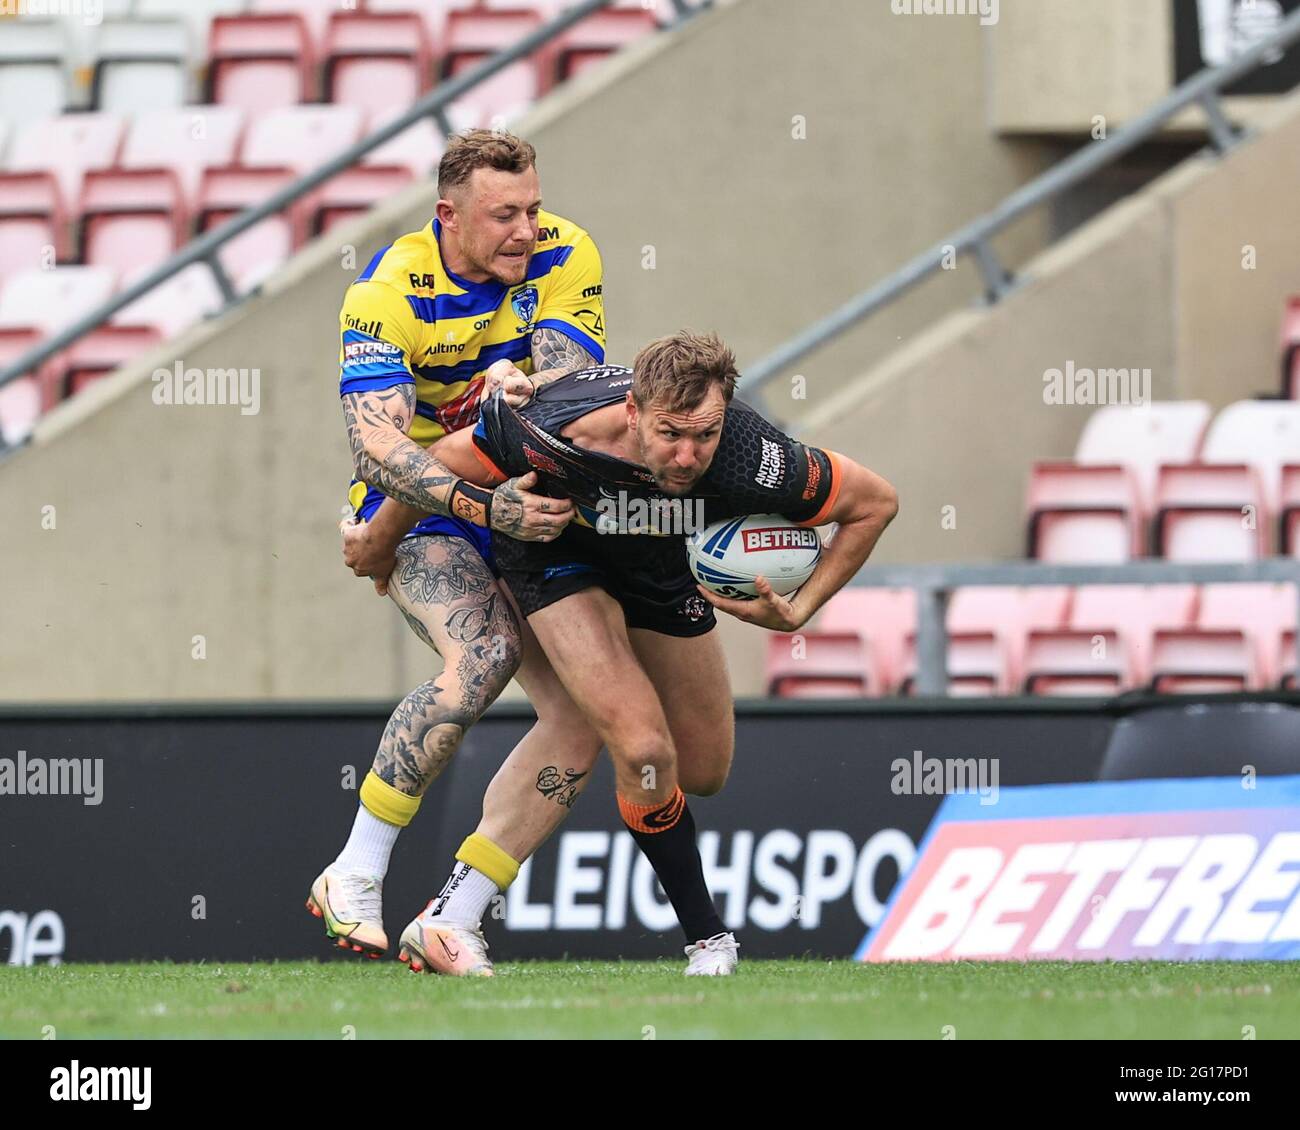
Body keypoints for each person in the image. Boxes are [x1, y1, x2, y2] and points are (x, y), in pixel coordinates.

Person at [353, 330, 900, 975]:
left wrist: (803, 606)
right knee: (641, 746)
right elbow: (433, 465)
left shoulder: (754, 455)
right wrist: (377, 546)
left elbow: (875, 504)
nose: (689, 455)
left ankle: (446, 919)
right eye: (671, 433)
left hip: (664, 573)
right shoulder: (549, 429)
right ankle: (708, 941)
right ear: (635, 411)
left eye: (706, 433)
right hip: (557, 562)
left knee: (702, 770)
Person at [307, 128, 609, 969]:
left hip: (535, 494)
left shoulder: (564, 252)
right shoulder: (385, 292)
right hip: (429, 507)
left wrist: (525, 403)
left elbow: (571, 390)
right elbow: (381, 452)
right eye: (504, 214)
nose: (526, 230)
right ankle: (355, 873)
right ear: (449, 215)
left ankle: (453, 916)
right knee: (484, 654)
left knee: (590, 707)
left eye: (533, 209)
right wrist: (483, 496)